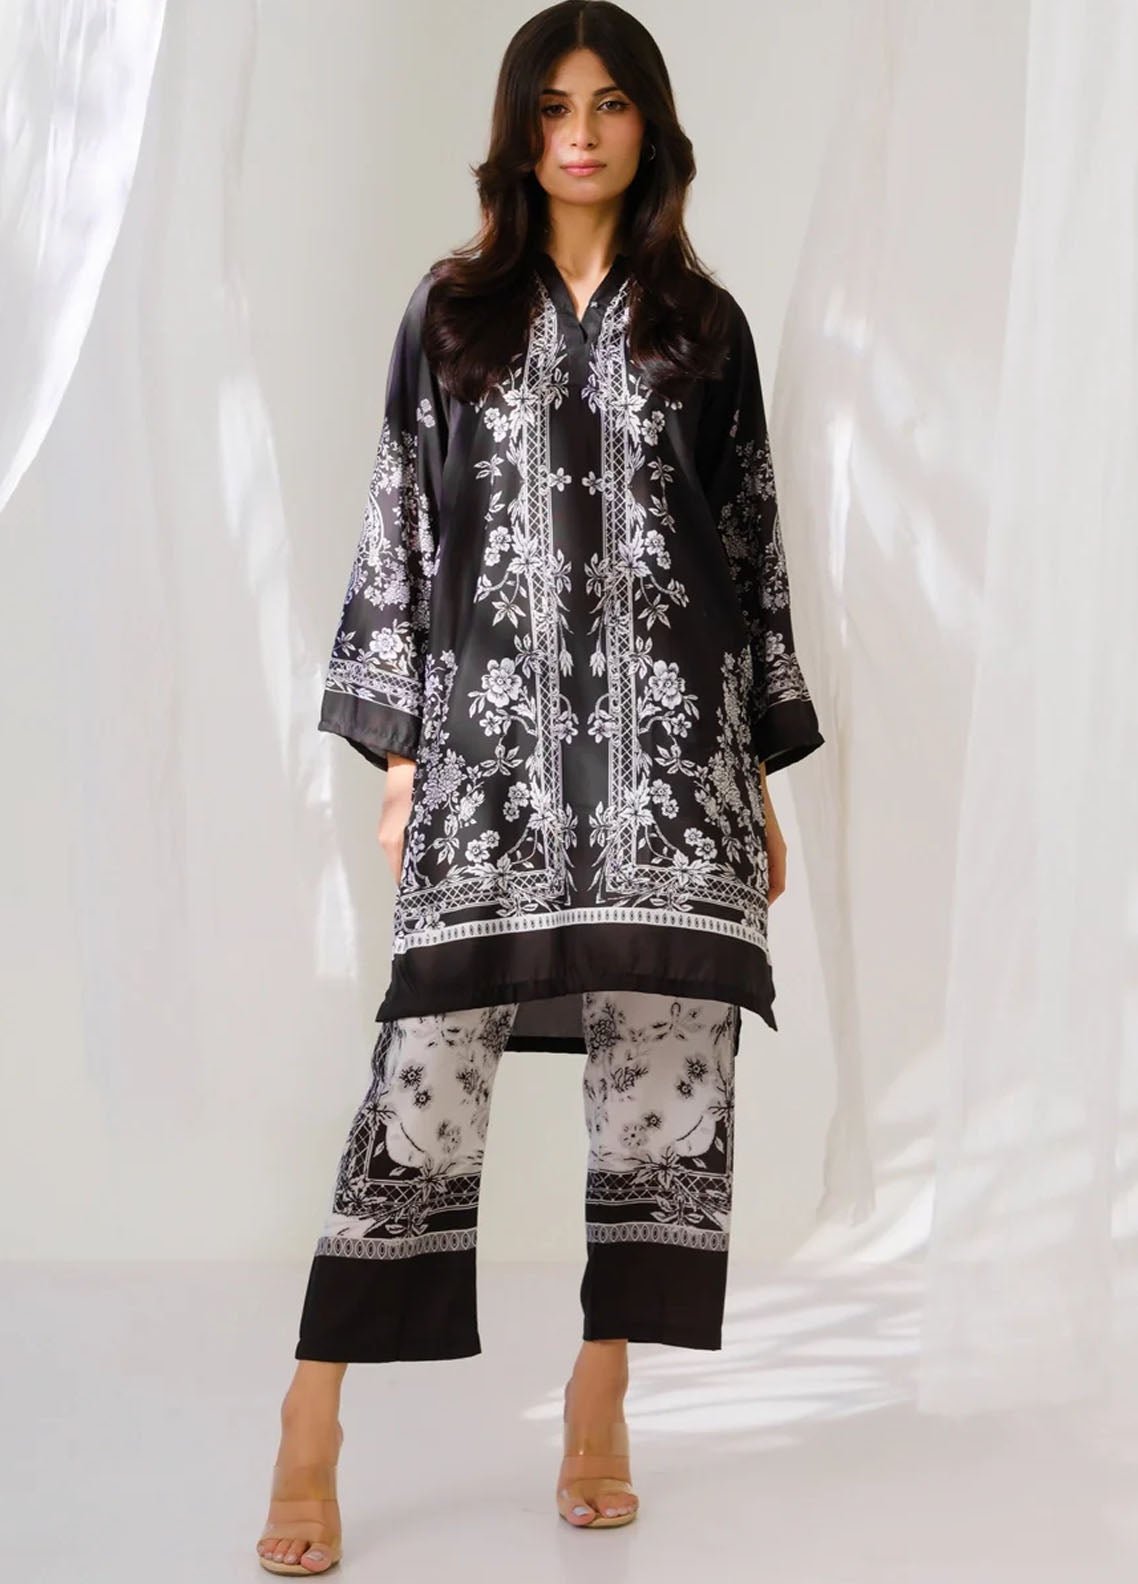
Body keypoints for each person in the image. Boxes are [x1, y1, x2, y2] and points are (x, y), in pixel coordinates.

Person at [256, 0, 824, 1571]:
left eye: (611, 103)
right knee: (421, 1084)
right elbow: (402, 524)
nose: (581, 132)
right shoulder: (453, 312)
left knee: (667, 1085)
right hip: (491, 768)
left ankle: (599, 1397)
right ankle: (311, 1414)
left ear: (651, 127)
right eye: (554, 104)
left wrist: (755, 770)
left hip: (673, 771)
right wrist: (402, 756)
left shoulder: (701, 326)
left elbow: (748, 551)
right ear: (517, 129)